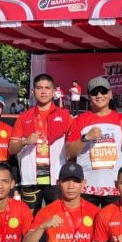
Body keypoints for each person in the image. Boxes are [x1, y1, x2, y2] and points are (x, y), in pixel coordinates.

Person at [9, 74, 73, 212]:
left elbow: (73, 148)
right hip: (30, 179)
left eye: (47, 88)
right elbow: (12, 149)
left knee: (57, 218)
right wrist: (25, 141)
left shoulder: (65, 116)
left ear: (53, 91)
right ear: (33, 91)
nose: (43, 92)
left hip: (56, 179)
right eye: (39, 88)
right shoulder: (23, 117)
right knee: (30, 219)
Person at [66, 76, 122, 208]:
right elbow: (69, 152)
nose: (99, 95)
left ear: (110, 94)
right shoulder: (80, 120)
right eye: (95, 92)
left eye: (103, 91)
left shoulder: (121, 120)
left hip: (114, 187)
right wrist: (85, 137)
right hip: (87, 188)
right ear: (89, 96)